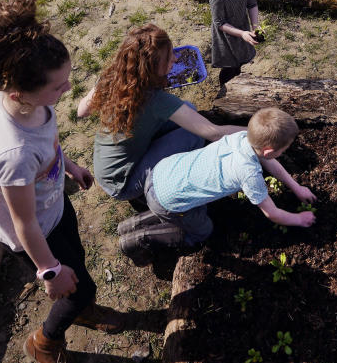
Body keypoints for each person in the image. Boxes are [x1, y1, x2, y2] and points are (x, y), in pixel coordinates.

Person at [0, 0, 123, 363]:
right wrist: (49, 270)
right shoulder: (12, 152)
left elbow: (49, 141)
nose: (68, 89)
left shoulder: (33, 105)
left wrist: (68, 166)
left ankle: (80, 304)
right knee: (74, 284)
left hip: (54, 210)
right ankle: (45, 342)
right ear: (18, 92)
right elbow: (23, 224)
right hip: (37, 235)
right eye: (58, 86)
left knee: (80, 267)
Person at [118, 107, 317, 265]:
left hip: (161, 173)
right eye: (285, 148)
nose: (285, 151)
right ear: (269, 150)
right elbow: (272, 213)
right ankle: (138, 239)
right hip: (167, 200)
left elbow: (269, 161)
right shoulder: (248, 173)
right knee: (202, 230)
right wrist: (299, 219)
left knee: (175, 206)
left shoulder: (241, 137)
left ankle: (130, 224)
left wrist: (297, 188)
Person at [77, 24, 243, 209]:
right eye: (169, 57)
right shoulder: (156, 100)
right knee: (194, 135)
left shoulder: (115, 77)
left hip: (107, 167)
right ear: (151, 68)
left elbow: (81, 111)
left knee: (188, 108)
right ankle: (153, 191)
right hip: (123, 183)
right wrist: (256, 131)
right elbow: (214, 133)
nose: (175, 58)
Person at [209, 0, 260, 98]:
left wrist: (255, 25)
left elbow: (252, 5)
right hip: (226, 35)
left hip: (242, 28)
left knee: (239, 62)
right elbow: (220, 23)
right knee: (229, 66)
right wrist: (242, 34)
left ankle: (236, 85)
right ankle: (224, 91)